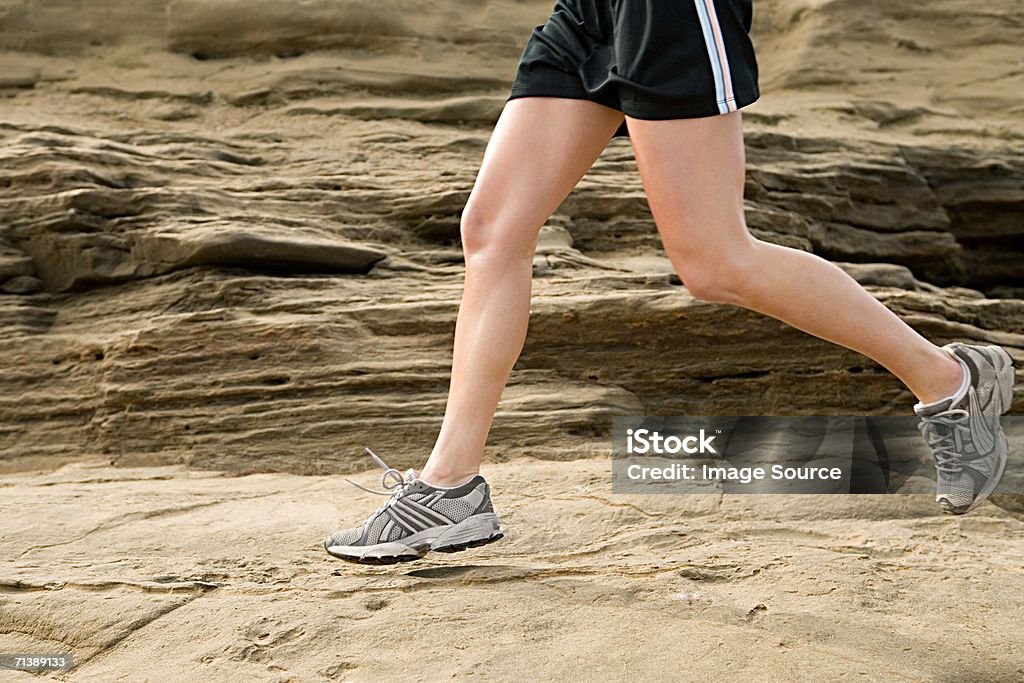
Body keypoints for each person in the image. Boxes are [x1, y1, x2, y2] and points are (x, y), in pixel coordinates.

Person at [324, 0, 1016, 564]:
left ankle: (950, 381)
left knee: (714, 261)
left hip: (671, 10)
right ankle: (450, 487)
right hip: (595, 10)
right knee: (492, 228)